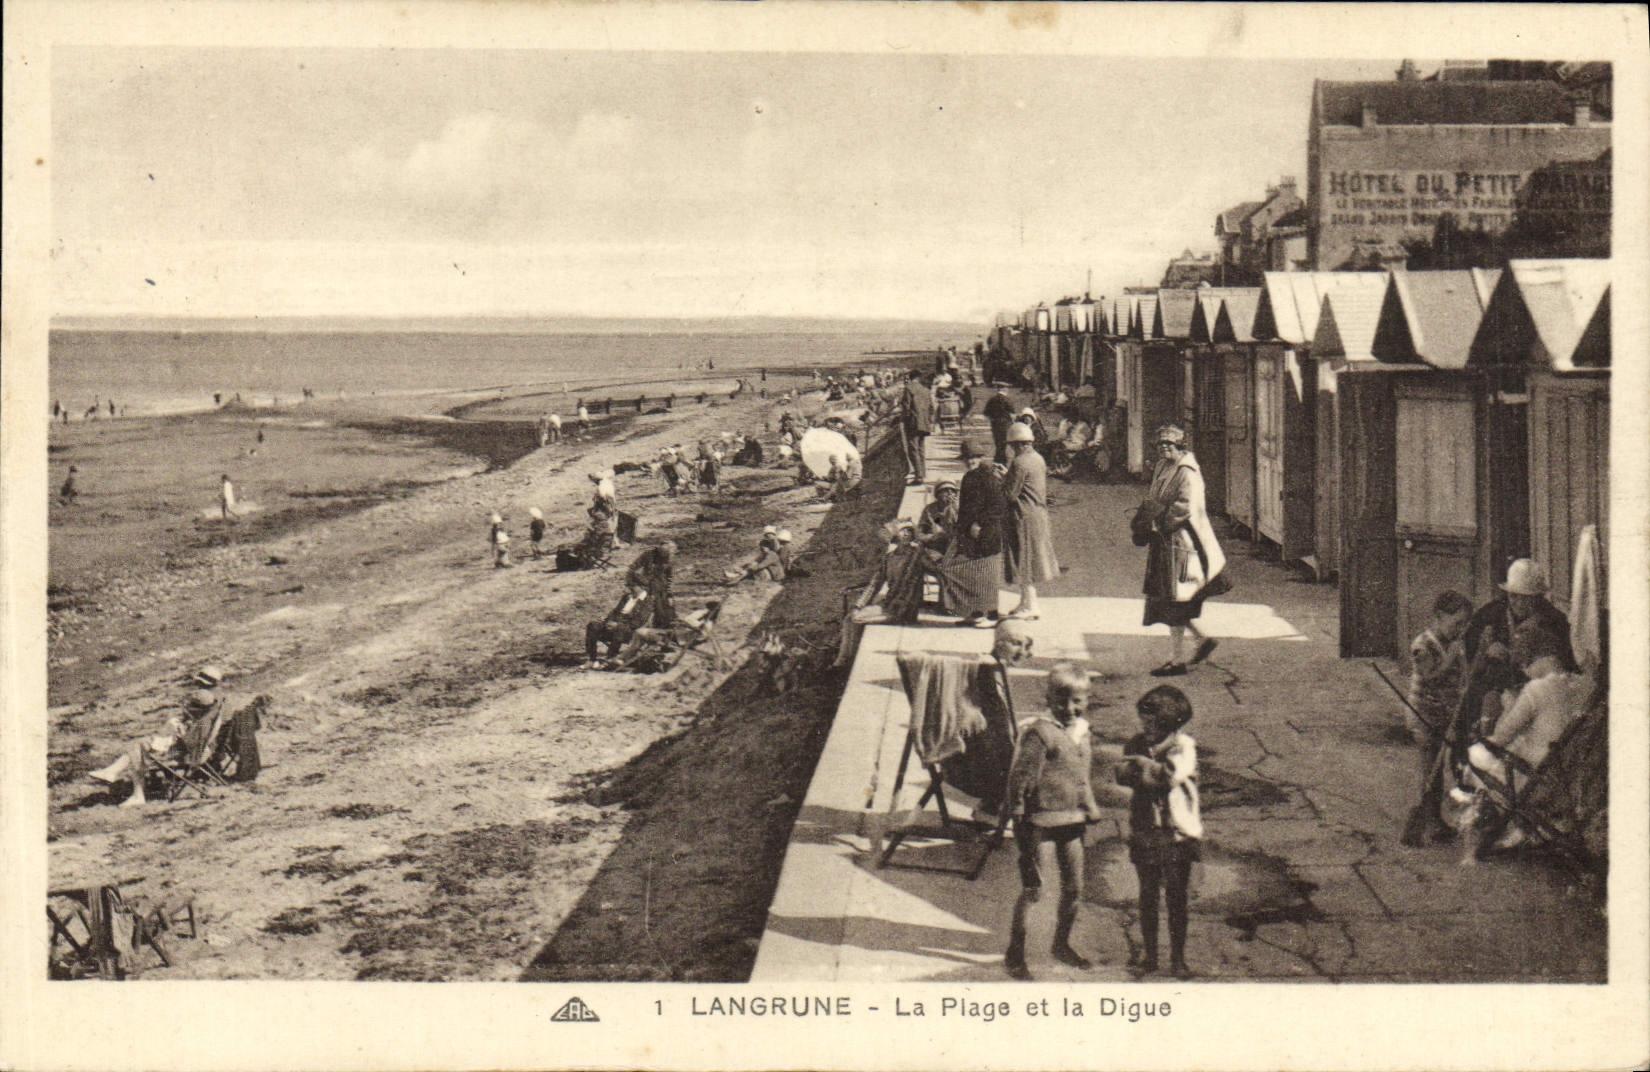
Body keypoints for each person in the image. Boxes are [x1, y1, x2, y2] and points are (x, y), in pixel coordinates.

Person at [1452, 620, 1588, 860]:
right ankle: (1520, 826)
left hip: (1536, 779)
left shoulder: (1538, 689)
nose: (1524, 669)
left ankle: (1494, 823)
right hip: (1575, 780)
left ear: (1534, 659)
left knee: (1476, 753)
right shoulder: (1584, 688)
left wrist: (1504, 708)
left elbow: (1500, 739)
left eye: (1525, 662)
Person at [1003, 663, 1103, 979]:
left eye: (1077, 701)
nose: (1070, 709)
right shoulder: (1041, 733)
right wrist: (1018, 815)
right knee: (1035, 889)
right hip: (1040, 822)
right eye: (1061, 701)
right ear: (1048, 699)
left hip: (1072, 821)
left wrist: (1089, 805)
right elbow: (1020, 778)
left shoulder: (1082, 732)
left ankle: (1061, 944)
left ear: (1087, 700)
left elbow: (1082, 776)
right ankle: (1015, 953)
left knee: (1074, 888)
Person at [1115, 684, 1203, 979]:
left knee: (1176, 898)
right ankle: (1151, 956)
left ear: (1173, 725)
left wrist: (1141, 766)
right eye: (1144, 724)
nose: (1148, 731)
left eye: (1155, 726)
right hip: (1145, 831)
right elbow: (1122, 773)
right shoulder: (1136, 743)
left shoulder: (1183, 746)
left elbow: (1168, 776)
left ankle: (1178, 958)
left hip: (1176, 835)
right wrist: (1140, 768)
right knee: (1148, 896)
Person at [1451, 558, 1574, 756]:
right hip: (1491, 686)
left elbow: (1562, 667)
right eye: (1513, 596)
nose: (1518, 602)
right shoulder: (1490, 614)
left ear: (1538, 597)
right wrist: (1486, 650)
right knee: (1468, 722)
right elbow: (1469, 652)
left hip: (1531, 694)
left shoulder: (1555, 621)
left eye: (1526, 598)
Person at [1139, 425, 1228, 677]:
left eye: (1170, 444)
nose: (1164, 448)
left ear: (1181, 446)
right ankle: (1201, 640)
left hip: (1183, 543)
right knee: (1170, 601)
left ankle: (1177, 660)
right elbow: (1154, 497)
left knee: (1175, 600)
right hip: (1166, 542)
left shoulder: (1187, 472)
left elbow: (1185, 507)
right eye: (1161, 444)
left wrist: (1160, 523)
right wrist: (1145, 517)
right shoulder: (1163, 466)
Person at [1398, 590, 1473, 846]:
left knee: (1443, 767)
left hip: (1445, 715)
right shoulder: (1423, 644)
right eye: (1457, 623)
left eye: (1464, 624)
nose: (1460, 629)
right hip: (1424, 715)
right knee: (1431, 769)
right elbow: (1429, 675)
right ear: (1440, 616)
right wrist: (1451, 657)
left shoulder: (1456, 644)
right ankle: (1429, 821)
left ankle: (1436, 819)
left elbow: (1461, 676)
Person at [86, 688, 223, 807]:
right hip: (185, 751)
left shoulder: (203, 724)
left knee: (139, 749)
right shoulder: (208, 718)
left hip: (184, 755)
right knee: (140, 746)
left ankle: (133, 791)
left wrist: (179, 732)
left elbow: (190, 744)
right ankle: (116, 775)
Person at [939, 456, 1007, 627]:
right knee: (966, 573)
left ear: (982, 458)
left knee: (987, 576)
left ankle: (991, 615)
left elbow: (998, 506)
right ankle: (974, 612)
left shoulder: (990, 478)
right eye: (968, 458)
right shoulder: (969, 476)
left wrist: (979, 523)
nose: (971, 461)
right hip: (969, 535)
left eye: (975, 458)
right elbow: (966, 508)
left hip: (987, 533)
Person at [1002, 423, 1058, 620]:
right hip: (1038, 513)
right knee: (1030, 560)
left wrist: (1001, 478)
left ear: (1018, 444)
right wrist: (1007, 474)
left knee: (1024, 561)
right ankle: (1025, 602)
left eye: (1012, 445)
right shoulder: (1038, 458)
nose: (1012, 449)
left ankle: (1031, 606)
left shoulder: (1019, 463)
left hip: (1023, 516)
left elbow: (1010, 494)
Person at [584, 575, 659, 668]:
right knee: (593, 625)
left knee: (619, 629)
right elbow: (615, 612)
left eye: (632, 586)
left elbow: (638, 622)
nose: (630, 588)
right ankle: (592, 660)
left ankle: (610, 658)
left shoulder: (647, 601)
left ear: (642, 586)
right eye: (628, 586)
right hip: (615, 625)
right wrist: (608, 621)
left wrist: (618, 625)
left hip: (630, 631)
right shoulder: (627, 597)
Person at [899, 370, 935, 485]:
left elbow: (906, 407)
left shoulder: (909, 388)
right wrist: (929, 421)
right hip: (924, 423)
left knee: (913, 449)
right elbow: (932, 408)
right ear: (919, 378)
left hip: (913, 423)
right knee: (921, 448)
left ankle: (919, 477)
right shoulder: (926, 390)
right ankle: (922, 473)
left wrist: (904, 420)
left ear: (910, 378)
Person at [917, 482, 959, 552]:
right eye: (945, 490)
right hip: (933, 547)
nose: (950, 493)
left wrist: (955, 508)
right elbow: (920, 532)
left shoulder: (957, 509)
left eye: (952, 491)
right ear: (938, 494)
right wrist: (930, 537)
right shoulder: (929, 509)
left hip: (952, 548)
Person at [984, 388, 1016, 465]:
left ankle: (998, 460)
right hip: (1005, 424)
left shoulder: (992, 400)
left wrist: (993, 418)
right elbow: (1012, 413)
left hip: (995, 424)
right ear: (1005, 391)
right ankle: (1002, 460)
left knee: (998, 443)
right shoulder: (1007, 400)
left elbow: (986, 413)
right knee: (1003, 443)